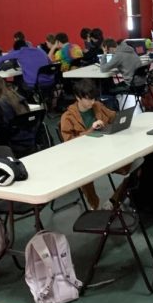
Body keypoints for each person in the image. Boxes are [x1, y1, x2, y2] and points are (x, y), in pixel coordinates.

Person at [59, 79, 118, 210]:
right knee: (83, 176)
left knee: (136, 164)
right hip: (84, 157)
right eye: (88, 99)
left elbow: (113, 116)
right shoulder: (67, 117)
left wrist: (117, 120)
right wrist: (91, 130)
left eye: (93, 98)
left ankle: (115, 200)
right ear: (77, 98)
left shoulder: (97, 105)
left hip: (105, 150)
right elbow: (69, 142)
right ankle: (94, 205)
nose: (92, 102)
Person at [0, 75, 32, 156]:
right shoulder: (13, 94)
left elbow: (4, 127)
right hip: (27, 137)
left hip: (15, 142)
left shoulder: (1, 103)